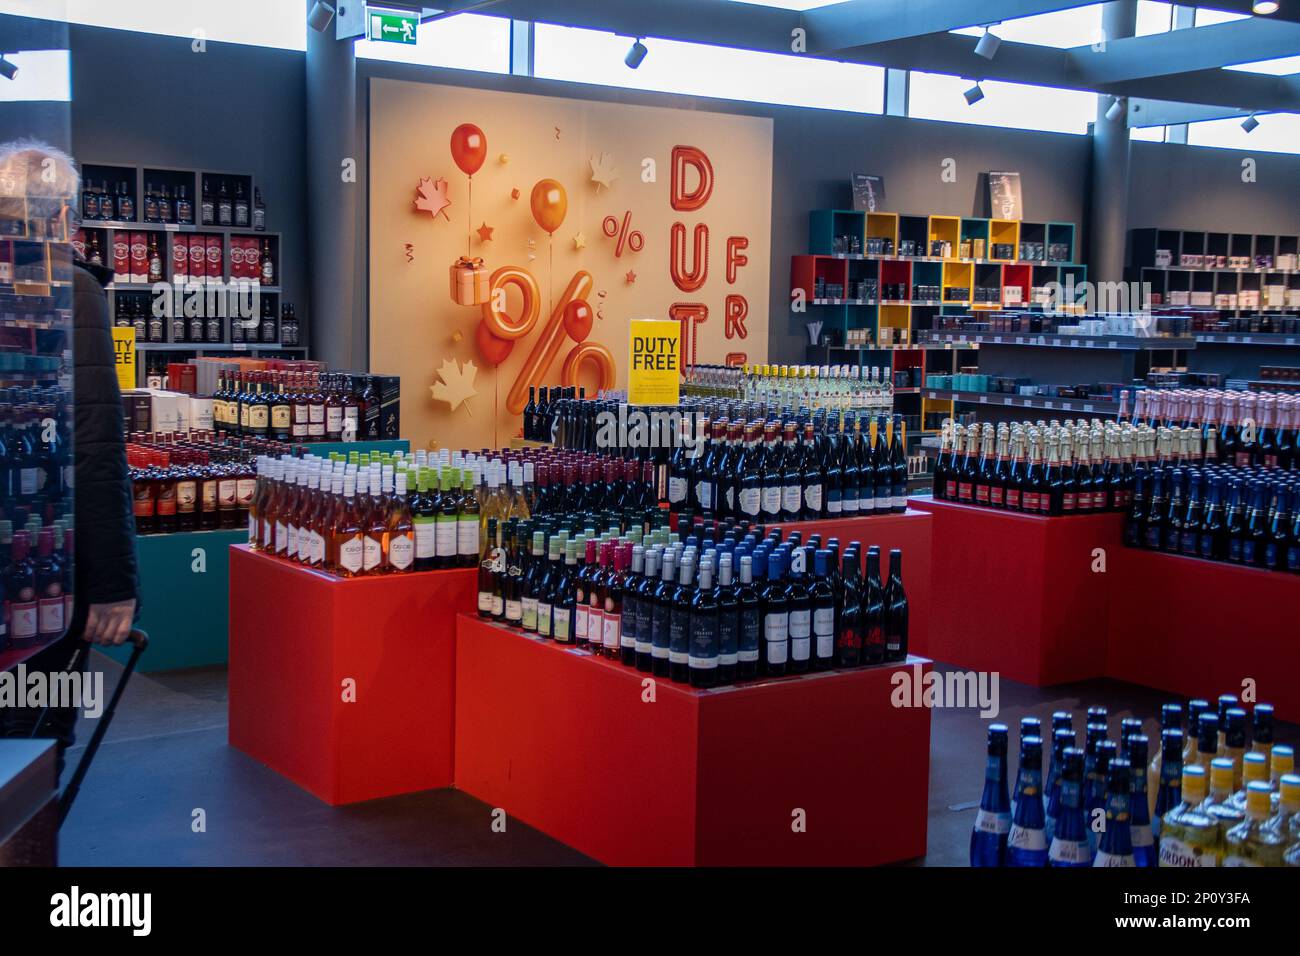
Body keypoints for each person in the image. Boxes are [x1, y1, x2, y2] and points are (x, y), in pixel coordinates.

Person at [0, 140, 140, 772]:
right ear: (63, 216)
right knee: (36, 742)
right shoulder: (69, 288)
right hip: (40, 571)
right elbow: (94, 444)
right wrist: (113, 586)